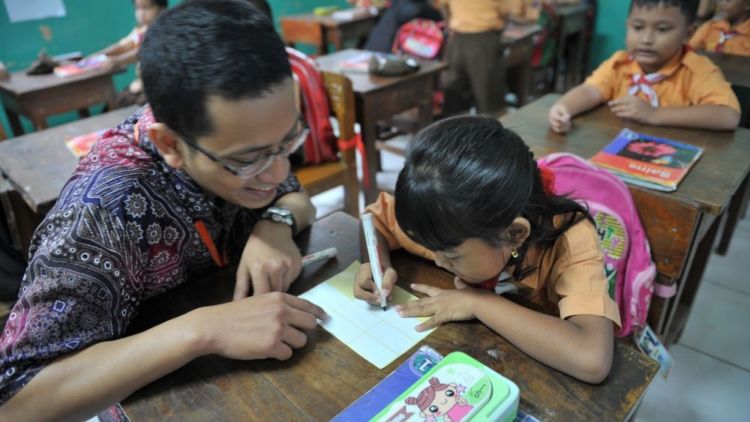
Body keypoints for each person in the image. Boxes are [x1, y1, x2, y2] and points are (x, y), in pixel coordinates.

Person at [0, 1, 327, 419]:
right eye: (250, 159)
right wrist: (203, 329)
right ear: (171, 144)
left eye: (289, 141)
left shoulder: (246, 134)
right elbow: (14, 402)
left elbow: (296, 197)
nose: (278, 169)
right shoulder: (102, 212)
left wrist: (275, 225)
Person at [353, 116, 621, 384]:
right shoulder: (441, 222)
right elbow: (375, 221)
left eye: (453, 257)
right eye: (431, 248)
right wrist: (376, 263)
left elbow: (592, 358)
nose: (438, 260)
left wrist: (477, 302)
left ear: (514, 235)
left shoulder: (571, 242)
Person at [548, 0, 740, 133]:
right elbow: (590, 91)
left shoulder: (696, 69)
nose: (646, 39)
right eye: (638, 27)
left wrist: (654, 114)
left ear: (688, 33)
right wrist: (564, 108)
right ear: (627, 25)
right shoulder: (620, 63)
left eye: (662, 29)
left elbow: (727, 116)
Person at [439, 0, 536, 117]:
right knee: (490, 99)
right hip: (483, 42)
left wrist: (449, 24)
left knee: (455, 96)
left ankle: (457, 128)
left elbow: (443, 5)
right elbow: (517, 13)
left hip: (457, 39)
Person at [93, 0, 168, 107]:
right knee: (114, 105)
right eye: (138, 8)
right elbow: (123, 46)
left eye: (146, 8)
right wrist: (99, 55)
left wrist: (118, 60)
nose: (141, 13)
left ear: (162, 8)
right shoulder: (140, 31)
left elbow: (145, 51)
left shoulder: (165, 29)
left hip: (159, 89)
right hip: (140, 85)